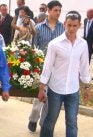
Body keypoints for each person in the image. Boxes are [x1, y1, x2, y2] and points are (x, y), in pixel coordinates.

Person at [38, 11, 90, 137]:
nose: (71, 28)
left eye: (75, 26)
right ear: (65, 24)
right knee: (50, 120)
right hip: (55, 89)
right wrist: (42, 89)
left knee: (72, 122)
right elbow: (47, 67)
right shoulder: (54, 44)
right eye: (69, 25)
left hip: (73, 90)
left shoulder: (83, 44)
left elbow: (84, 67)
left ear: (79, 26)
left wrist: (86, 87)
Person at [28, 0, 64, 132]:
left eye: (60, 10)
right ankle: (33, 119)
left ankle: (44, 123)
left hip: (58, 68)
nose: (58, 13)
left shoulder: (63, 28)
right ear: (48, 10)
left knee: (51, 98)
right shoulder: (38, 28)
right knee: (40, 96)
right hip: (42, 66)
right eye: (55, 10)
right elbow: (33, 48)